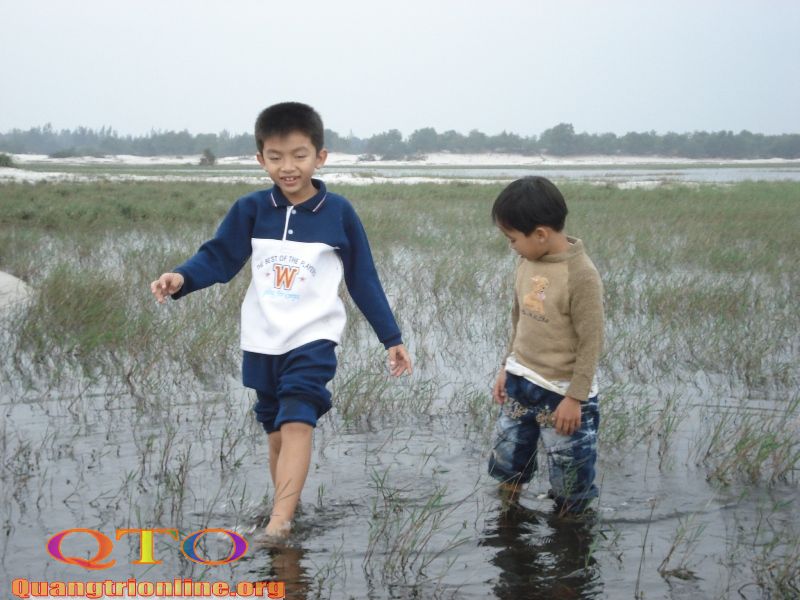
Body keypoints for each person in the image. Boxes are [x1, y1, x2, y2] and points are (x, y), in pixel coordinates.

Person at [150, 102, 412, 538]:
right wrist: (182, 277)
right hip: (262, 337)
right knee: (275, 430)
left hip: (313, 337)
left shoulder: (338, 212)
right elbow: (219, 257)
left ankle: (279, 524)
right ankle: (287, 506)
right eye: (276, 157)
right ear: (261, 159)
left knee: (297, 420)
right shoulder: (252, 209)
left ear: (320, 157)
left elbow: (363, 278)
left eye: (299, 155)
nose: (288, 167)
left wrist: (392, 337)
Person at [487, 176, 603, 515]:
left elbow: (592, 341)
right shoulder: (526, 262)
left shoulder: (581, 274)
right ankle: (508, 520)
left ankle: (570, 535)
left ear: (540, 234)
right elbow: (519, 319)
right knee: (508, 464)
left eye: (513, 239)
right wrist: (506, 366)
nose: (512, 246)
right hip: (520, 381)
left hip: (562, 394)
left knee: (571, 483)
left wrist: (575, 397)